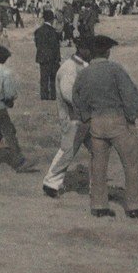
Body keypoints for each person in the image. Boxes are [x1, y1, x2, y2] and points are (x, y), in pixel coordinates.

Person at [73, 35, 138, 219]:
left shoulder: (83, 74)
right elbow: (131, 96)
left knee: (98, 165)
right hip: (118, 121)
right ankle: (135, 205)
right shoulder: (115, 70)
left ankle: (98, 205)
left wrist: (86, 117)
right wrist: (131, 117)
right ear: (107, 51)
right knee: (131, 165)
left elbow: (77, 99)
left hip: (96, 122)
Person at [42, 36, 93, 198]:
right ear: (82, 49)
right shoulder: (69, 68)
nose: (92, 53)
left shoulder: (83, 66)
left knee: (98, 149)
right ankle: (50, 183)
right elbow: (68, 95)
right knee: (68, 150)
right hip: (73, 118)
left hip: (84, 117)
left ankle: (97, 184)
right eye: (90, 49)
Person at [0, 46, 38, 173]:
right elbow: (10, 94)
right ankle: (19, 162)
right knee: (9, 133)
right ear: (5, 59)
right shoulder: (6, 72)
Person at [34, 10, 61, 101]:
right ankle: (53, 96)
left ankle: (44, 96)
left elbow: (37, 44)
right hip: (52, 58)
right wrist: (57, 58)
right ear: (52, 20)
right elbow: (55, 46)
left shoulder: (38, 31)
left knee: (44, 78)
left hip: (42, 57)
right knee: (53, 78)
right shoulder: (54, 32)